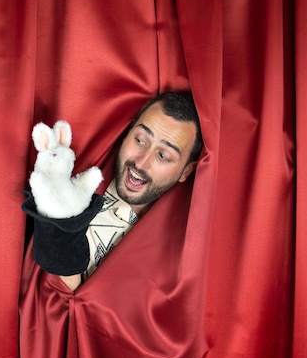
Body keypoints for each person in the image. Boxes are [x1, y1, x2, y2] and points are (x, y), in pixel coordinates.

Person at [23, 91, 203, 291]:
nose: (141, 162)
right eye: (140, 140)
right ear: (128, 131)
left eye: (163, 155)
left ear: (186, 170)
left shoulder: (172, 255)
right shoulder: (88, 166)